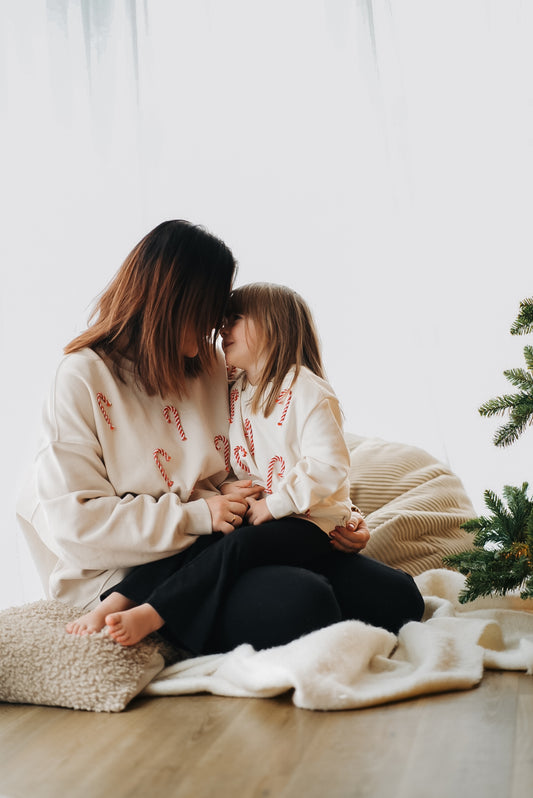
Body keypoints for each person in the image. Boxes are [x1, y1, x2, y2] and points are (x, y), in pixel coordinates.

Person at [17, 220, 373, 656]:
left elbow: (276, 448)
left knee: (393, 597)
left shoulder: (208, 364)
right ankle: (144, 613)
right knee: (306, 603)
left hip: (227, 541)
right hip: (133, 573)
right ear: (174, 301)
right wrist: (197, 514)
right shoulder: (80, 379)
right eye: (209, 310)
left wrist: (344, 515)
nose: (216, 327)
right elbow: (77, 528)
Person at [65, 282, 424, 653]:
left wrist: (296, 508)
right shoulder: (236, 391)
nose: (221, 328)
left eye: (234, 319)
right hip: (267, 519)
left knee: (398, 597)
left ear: (273, 327)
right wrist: (222, 492)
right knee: (200, 539)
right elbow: (234, 466)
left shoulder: (308, 391)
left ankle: (156, 614)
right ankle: (117, 601)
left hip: (306, 522)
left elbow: (328, 465)